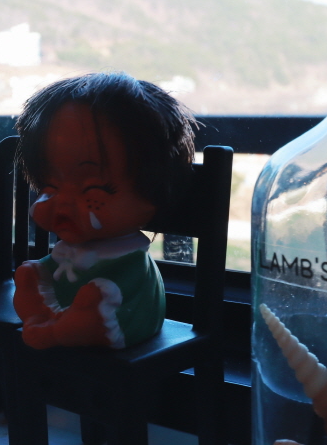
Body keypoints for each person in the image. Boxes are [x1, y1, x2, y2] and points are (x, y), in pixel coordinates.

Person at [12, 72, 196, 349]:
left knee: (97, 299)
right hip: (66, 304)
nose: (63, 202)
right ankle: (48, 320)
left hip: (124, 316)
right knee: (29, 274)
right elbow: (54, 269)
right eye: (50, 187)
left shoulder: (129, 259)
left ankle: (68, 329)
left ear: (154, 189)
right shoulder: (70, 250)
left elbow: (124, 287)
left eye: (93, 191)